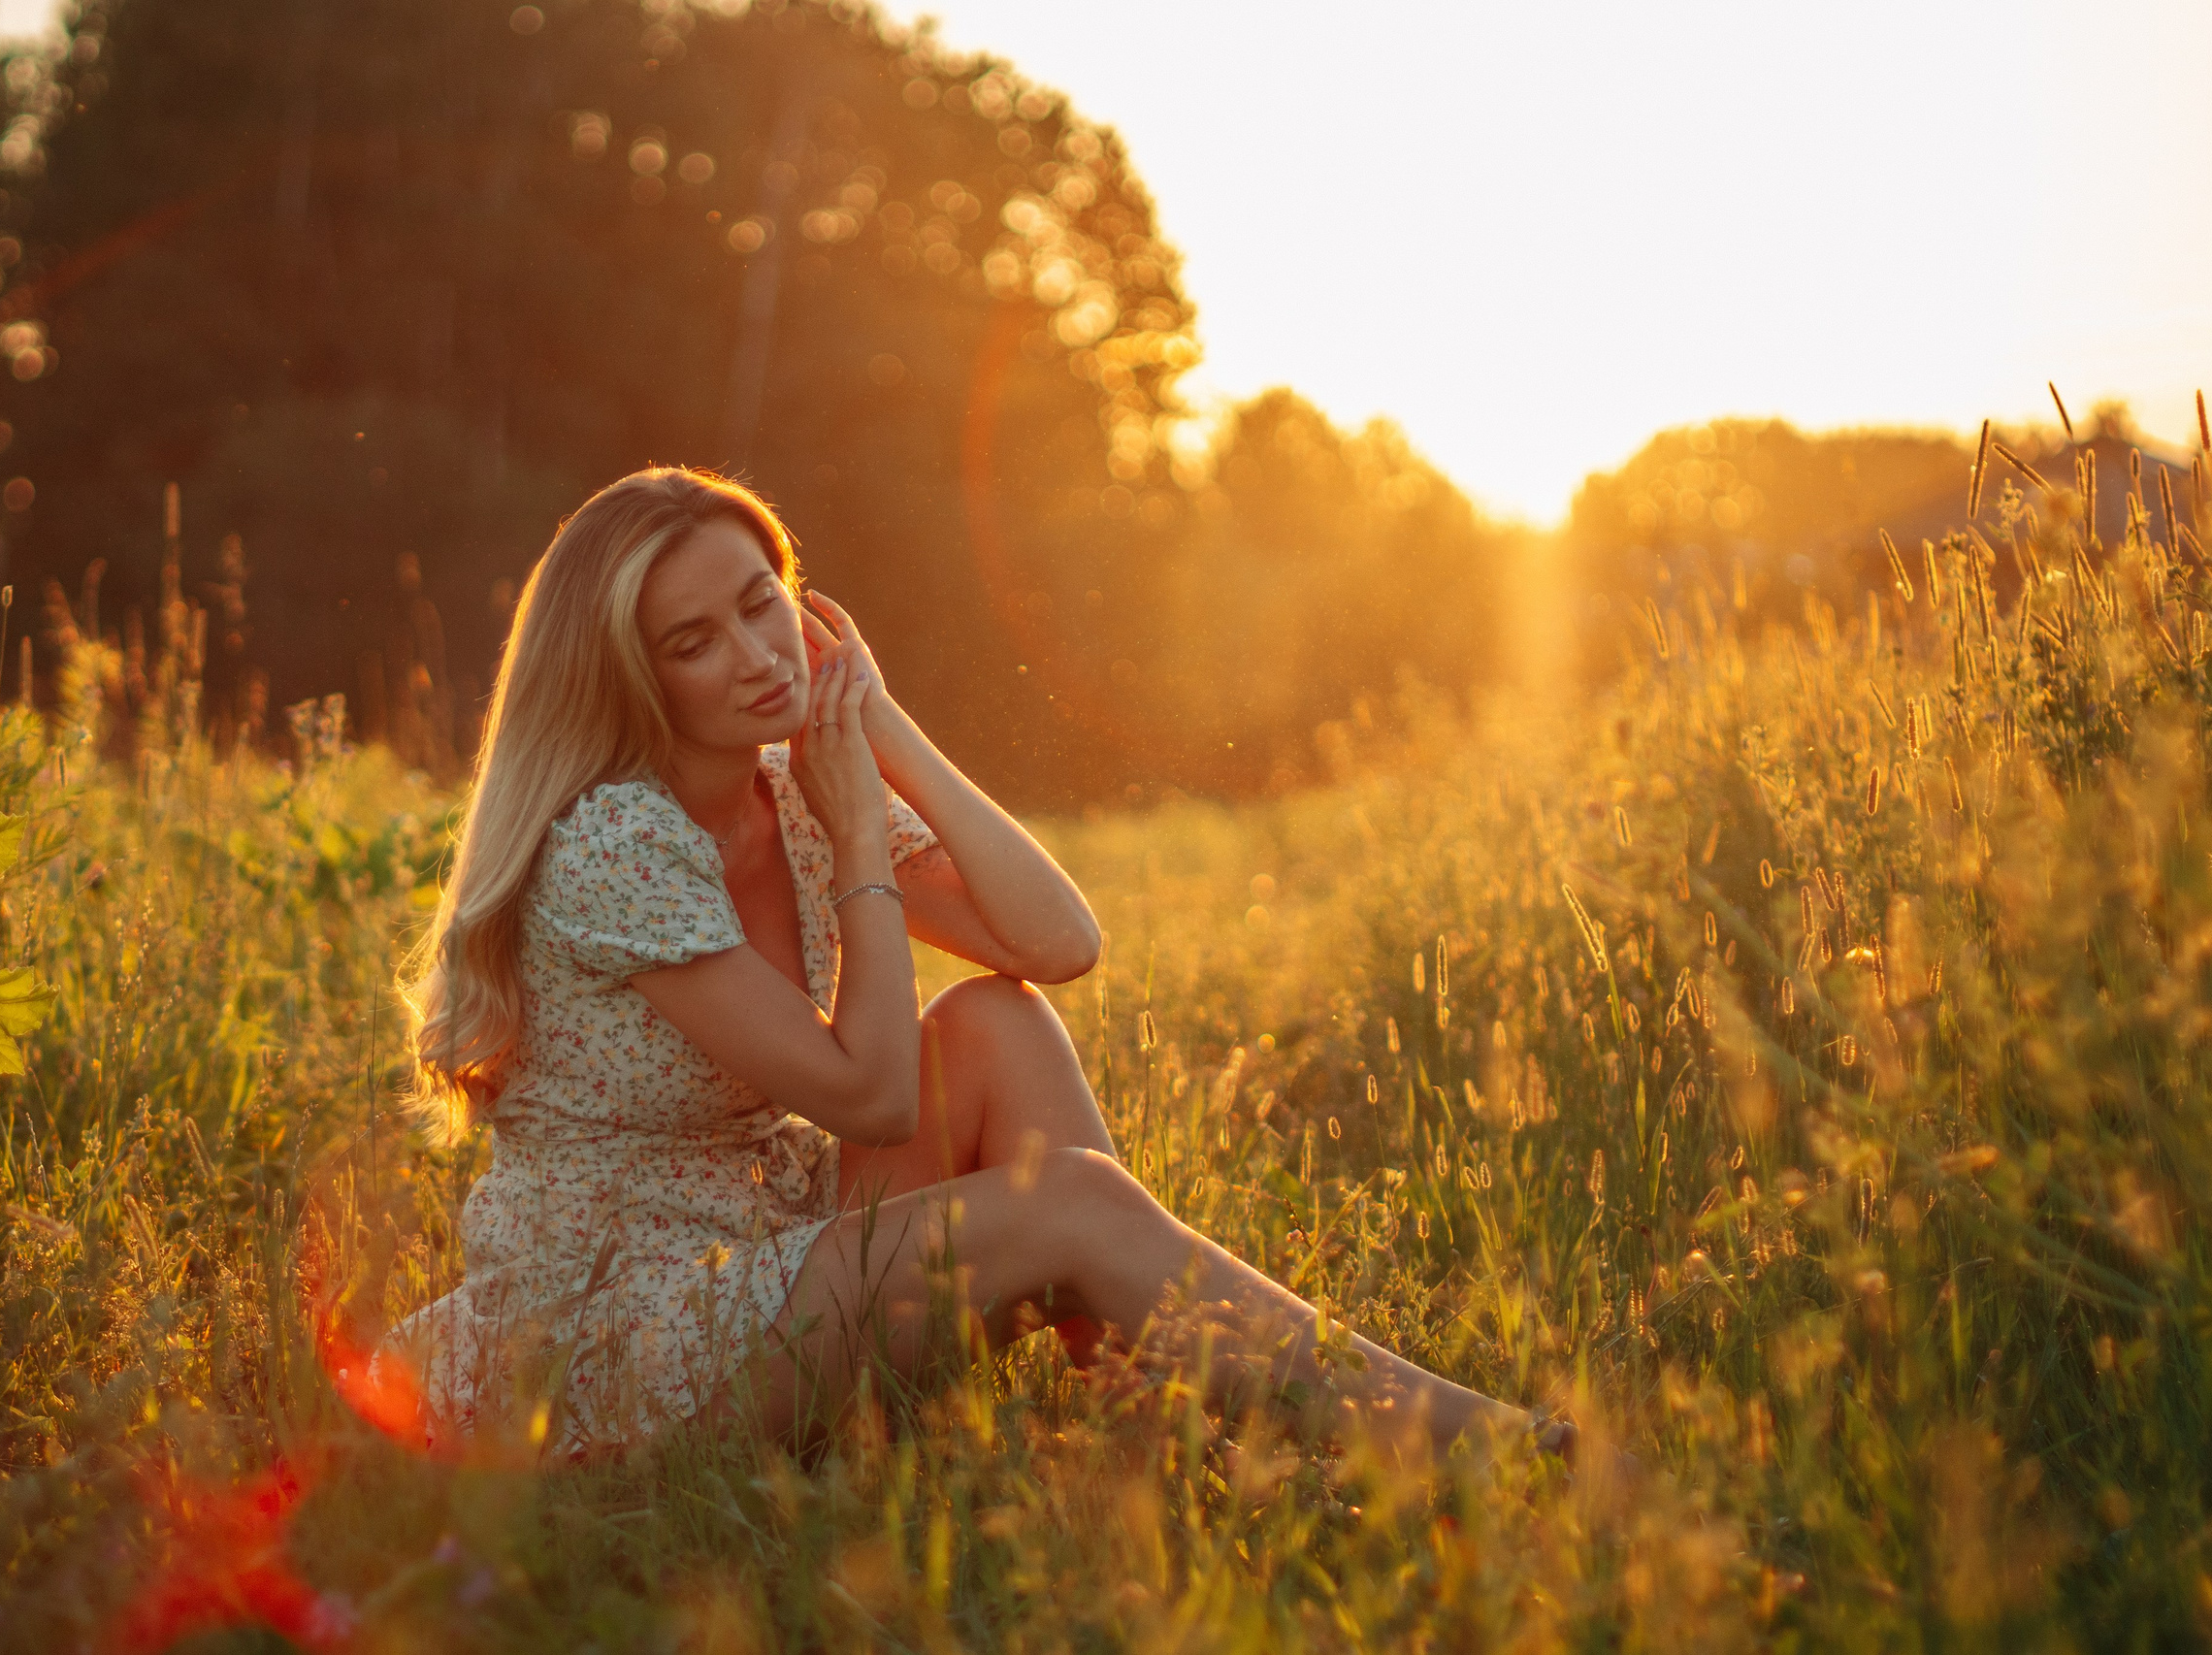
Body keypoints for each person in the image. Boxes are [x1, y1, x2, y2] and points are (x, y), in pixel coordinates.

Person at [387, 466, 1564, 1467]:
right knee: (1072, 1199)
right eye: (696, 642)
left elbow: (1057, 944)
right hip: (630, 1335)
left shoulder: (789, 780)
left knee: (998, 1019)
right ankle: (1477, 1449)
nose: (754, 657)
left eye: (763, 607)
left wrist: (879, 724)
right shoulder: (615, 841)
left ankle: (1140, 1412)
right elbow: (875, 1097)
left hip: (767, 1243)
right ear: (632, 675)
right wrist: (860, 839)